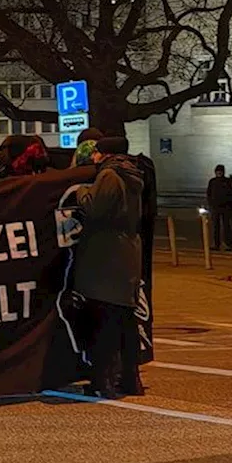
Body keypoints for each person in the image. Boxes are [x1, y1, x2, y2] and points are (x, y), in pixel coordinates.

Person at [74, 136, 144, 399]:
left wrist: (82, 191)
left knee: (103, 318)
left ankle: (102, 380)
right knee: (125, 318)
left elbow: (94, 208)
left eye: (96, 153)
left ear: (104, 154)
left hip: (106, 254)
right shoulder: (133, 174)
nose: (93, 158)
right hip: (127, 251)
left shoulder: (109, 176)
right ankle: (129, 379)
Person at [206, 165, 232, 252]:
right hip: (215, 207)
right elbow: (208, 193)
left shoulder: (227, 181)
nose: (219, 172)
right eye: (217, 171)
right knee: (215, 226)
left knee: (226, 226)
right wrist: (211, 204)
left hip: (226, 207)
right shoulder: (212, 181)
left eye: (220, 171)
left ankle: (228, 244)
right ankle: (216, 244)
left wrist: (231, 206)